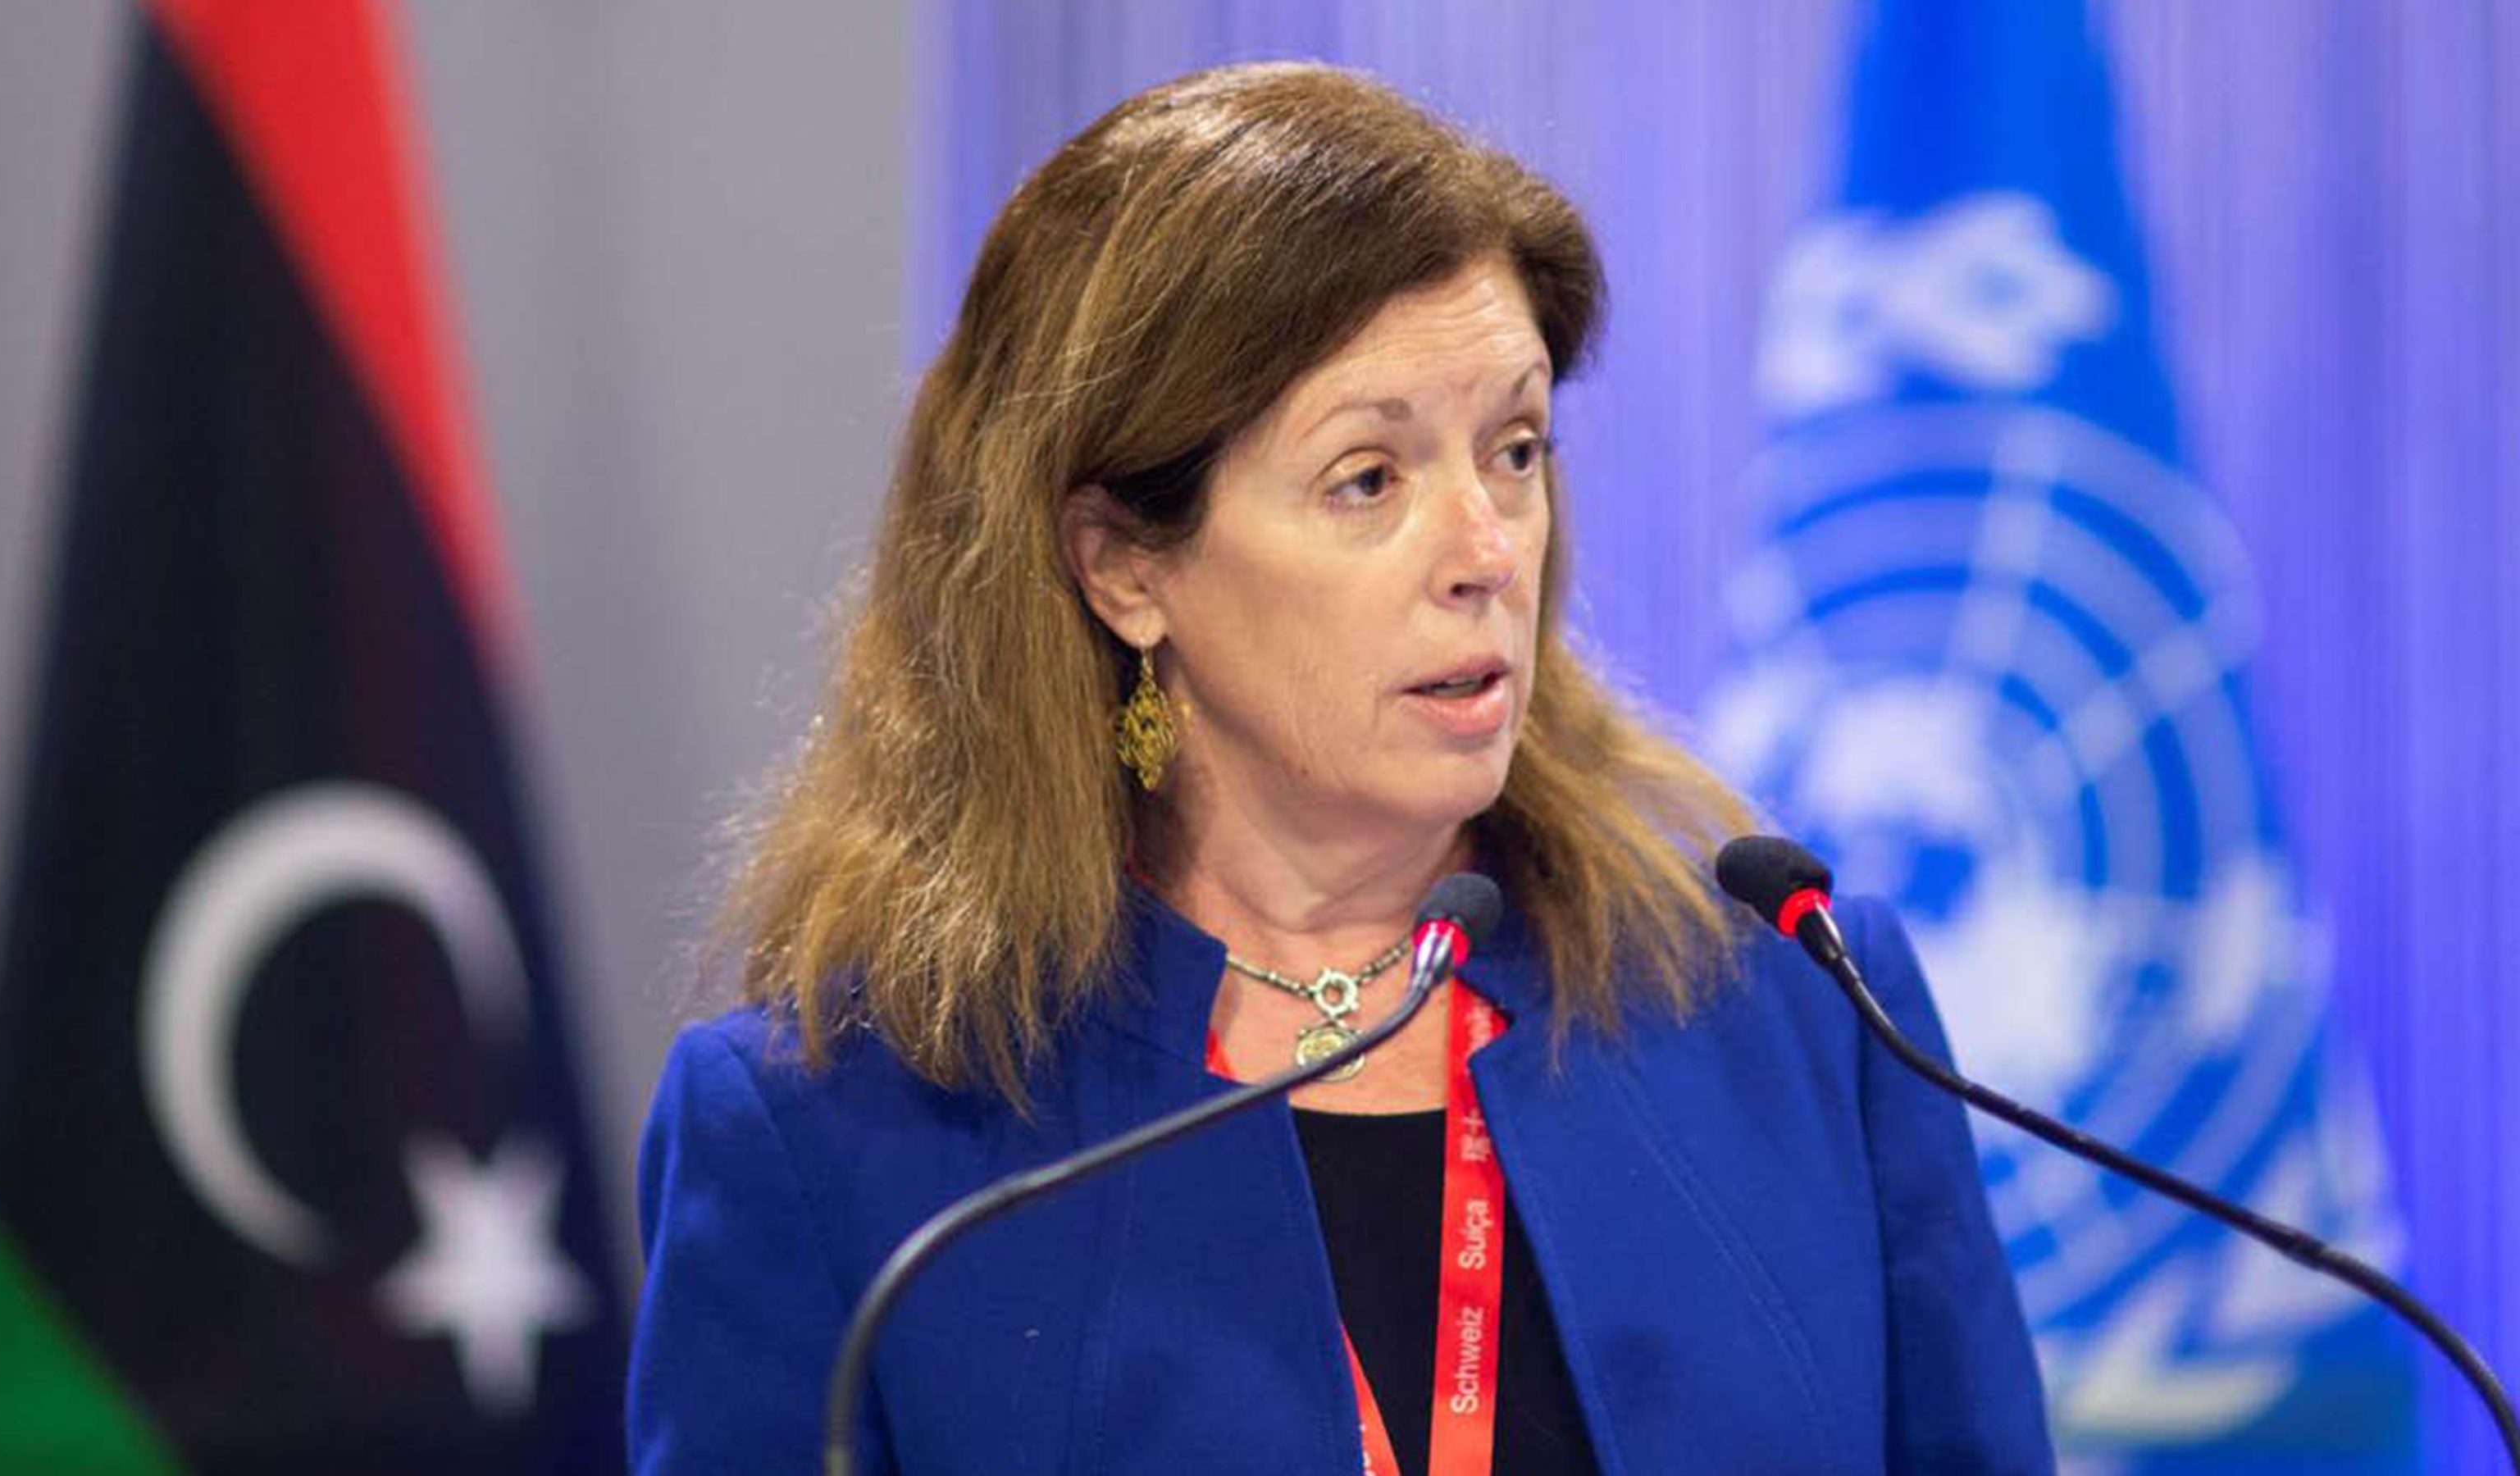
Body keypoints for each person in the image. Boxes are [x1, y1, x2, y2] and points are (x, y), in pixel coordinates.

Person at [628, 61, 2053, 1475]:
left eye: (1515, 450)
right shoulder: (835, 1136)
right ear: (1122, 567)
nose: (1488, 551)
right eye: (1369, 478)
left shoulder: (1801, 1013)